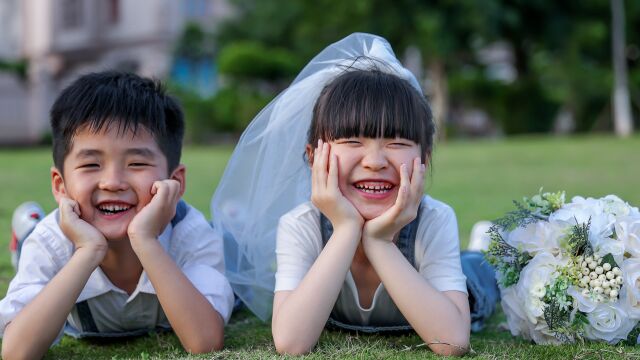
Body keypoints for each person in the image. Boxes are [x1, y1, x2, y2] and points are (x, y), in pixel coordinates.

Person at [211, 33, 498, 356]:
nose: (375, 162)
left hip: (456, 282)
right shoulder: (300, 225)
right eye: (352, 142)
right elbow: (291, 342)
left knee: (481, 274)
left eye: (397, 143)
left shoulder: (434, 219)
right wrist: (347, 230)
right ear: (313, 156)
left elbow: (453, 342)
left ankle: (480, 248)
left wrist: (379, 242)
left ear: (425, 159)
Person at [0, 71, 234, 358]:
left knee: (229, 246)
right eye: (91, 165)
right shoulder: (51, 242)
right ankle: (26, 227)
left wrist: (145, 240)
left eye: (136, 163)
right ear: (60, 186)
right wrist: (88, 251)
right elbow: (16, 352)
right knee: (32, 240)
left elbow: (205, 342)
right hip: (53, 239)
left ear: (176, 182)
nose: (113, 182)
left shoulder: (191, 234)